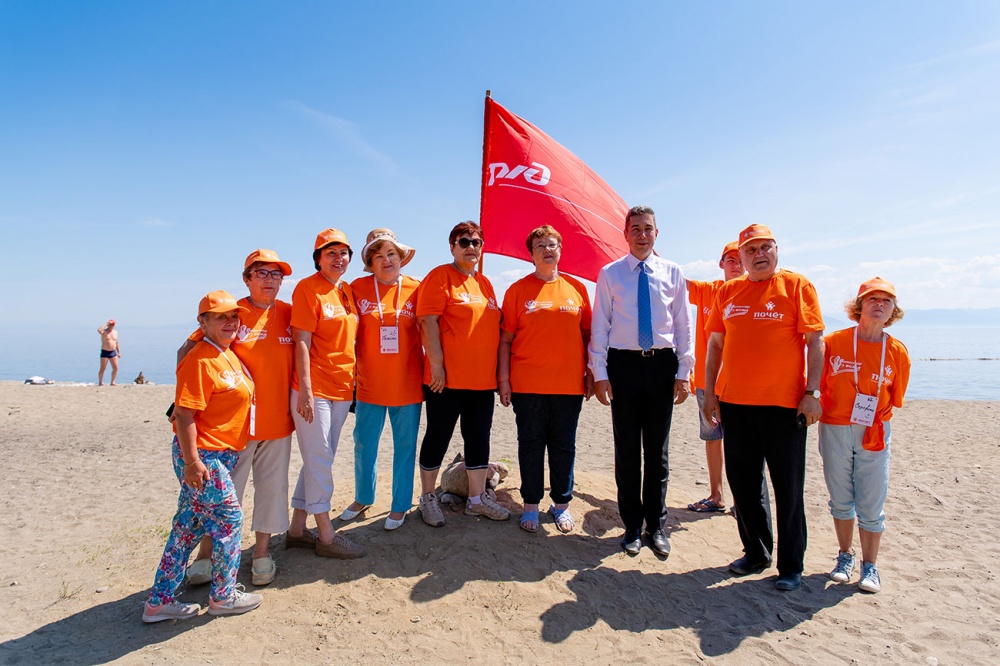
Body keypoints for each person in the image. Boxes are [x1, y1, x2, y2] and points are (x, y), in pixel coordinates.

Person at [702, 223, 825, 591]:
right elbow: (715, 346)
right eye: (750, 250)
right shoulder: (728, 291)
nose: (758, 255)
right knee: (743, 484)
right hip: (736, 404)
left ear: (776, 250)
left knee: (788, 488)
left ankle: (791, 566)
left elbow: (815, 341)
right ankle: (756, 553)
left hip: (784, 406)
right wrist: (710, 394)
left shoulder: (797, 286)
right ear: (740, 257)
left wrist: (812, 392)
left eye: (764, 247)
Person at [142, 290, 262, 623]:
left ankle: (158, 602)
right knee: (229, 520)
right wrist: (193, 463)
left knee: (188, 526)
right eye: (221, 317)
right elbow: (183, 415)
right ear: (203, 322)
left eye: (234, 316)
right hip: (203, 455)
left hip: (219, 454)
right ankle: (223, 597)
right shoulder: (199, 359)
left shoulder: (225, 352)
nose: (230, 322)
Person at [179, 249, 295, 587]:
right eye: (261, 273)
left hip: (278, 421)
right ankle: (206, 555)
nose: (269, 280)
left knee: (272, 490)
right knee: (225, 496)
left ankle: (261, 553)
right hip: (235, 428)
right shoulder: (232, 313)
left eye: (275, 274)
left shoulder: (289, 312)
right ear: (247, 278)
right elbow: (188, 352)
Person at [589, 205, 694, 557]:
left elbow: (683, 325)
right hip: (624, 367)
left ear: (656, 233)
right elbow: (600, 325)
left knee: (658, 452)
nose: (642, 234)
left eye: (647, 228)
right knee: (627, 451)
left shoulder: (673, 272)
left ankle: (656, 526)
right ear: (625, 234)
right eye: (635, 228)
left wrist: (683, 372)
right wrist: (600, 374)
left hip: (662, 365)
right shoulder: (610, 273)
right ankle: (632, 526)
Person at [498, 225, 593, 533]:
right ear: (531, 254)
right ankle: (530, 505)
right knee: (531, 445)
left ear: (560, 250)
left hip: (568, 385)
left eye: (552, 245)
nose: (547, 250)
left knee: (564, 446)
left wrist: (591, 374)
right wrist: (504, 380)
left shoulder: (576, 289)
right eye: (540, 246)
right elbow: (505, 339)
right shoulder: (517, 290)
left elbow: (589, 336)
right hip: (527, 385)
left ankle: (561, 505)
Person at [819, 277, 910, 594]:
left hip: (874, 430)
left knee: (872, 501)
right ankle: (845, 556)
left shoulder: (897, 351)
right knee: (841, 498)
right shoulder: (833, 343)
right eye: (872, 298)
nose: (879, 304)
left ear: (893, 310)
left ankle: (870, 566)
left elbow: (895, 398)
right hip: (835, 427)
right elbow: (816, 383)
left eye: (887, 300)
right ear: (859, 306)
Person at [415, 220, 508, 526]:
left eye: (476, 242)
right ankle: (428, 497)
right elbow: (427, 321)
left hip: (481, 381)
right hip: (446, 380)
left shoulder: (485, 283)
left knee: (478, 438)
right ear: (452, 247)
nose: (471, 247)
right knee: (438, 436)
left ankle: (477, 500)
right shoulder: (441, 276)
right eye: (464, 242)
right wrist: (437, 366)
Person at [286, 229, 366, 559]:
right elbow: (301, 342)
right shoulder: (308, 288)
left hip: (341, 388)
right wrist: (305, 390)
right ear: (318, 258)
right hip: (313, 389)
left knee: (319, 458)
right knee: (320, 460)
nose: (338, 258)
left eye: (343, 252)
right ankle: (326, 536)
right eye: (330, 253)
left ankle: (296, 530)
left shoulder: (346, 291)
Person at [339, 228, 422, 531]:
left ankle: (400, 505)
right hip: (369, 384)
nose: (386, 260)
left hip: (407, 384)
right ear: (370, 263)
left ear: (401, 258)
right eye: (378, 256)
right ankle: (363, 497)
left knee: (405, 447)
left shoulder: (417, 288)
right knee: (363, 445)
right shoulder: (356, 288)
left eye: (391, 254)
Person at [686, 242, 744, 513]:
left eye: (740, 259)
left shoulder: (752, 293)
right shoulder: (708, 291)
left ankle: (742, 501)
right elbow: (675, 279)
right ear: (721, 264)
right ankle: (716, 495)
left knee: (741, 443)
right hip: (706, 383)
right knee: (712, 437)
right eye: (730, 260)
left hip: (739, 384)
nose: (736, 265)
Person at [97, 319, 121, 386]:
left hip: (113, 352)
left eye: (112, 324)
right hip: (105, 351)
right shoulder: (104, 332)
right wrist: (106, 324)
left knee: (115, 368)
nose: (111, 326)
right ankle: (100, 382)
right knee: (103, 368)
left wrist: (119, 352)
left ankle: (112, 382)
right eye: (110, 324)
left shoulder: (115, 332)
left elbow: (116, 342)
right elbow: (99, 330)